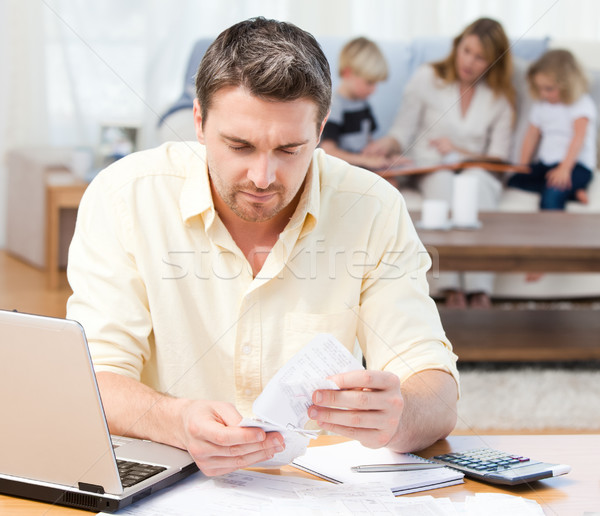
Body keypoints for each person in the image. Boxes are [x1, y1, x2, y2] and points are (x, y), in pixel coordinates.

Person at [66, 17, 459, 478]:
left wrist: (401, 415)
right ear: (198, 121)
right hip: (171, 481)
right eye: (240, 145)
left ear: (320, 129)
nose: (263, 177)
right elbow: (91, 380)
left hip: (315, 492)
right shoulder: (124, 196)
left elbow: (437, 393)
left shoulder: (373, 208)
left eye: (290, 149)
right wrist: (175, 421)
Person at [365, 18, 515, 309]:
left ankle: (479, 290)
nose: (469, 61)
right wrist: (384, 146)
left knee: (475, 183)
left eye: (480, 56)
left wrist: (461, 152)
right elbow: (401, 131)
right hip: (431, 167)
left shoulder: (500, 99)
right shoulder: (427, 77)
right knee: (444, 184)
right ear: (457, 45)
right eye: (466, 50)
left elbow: (499, 157)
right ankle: (451, 288)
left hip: (477, 170)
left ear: (494, 61)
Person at [508, 49, 596, 210]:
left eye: (549, 89)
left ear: (567, 84)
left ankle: (570, 189)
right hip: (546, 165)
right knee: (514, 180)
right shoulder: (541, 105)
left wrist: (564, 169)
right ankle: (573, 191)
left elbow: (579, 138)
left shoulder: (581, 104)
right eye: (540, 88)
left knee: (552, 196)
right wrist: (523, 164)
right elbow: (532, 135)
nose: (544, 93)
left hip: (576, 166)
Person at [320, 37, 398, 170]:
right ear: (347, 73)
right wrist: (365, 161)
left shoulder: (364, 105)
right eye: (369, 82)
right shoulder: (334, 107)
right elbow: (328, 152)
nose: (374, 89)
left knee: (392, 180)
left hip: (363, 168)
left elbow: (368, 143)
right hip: (343, 171)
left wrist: (387, 157)